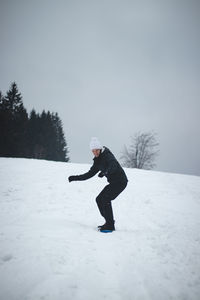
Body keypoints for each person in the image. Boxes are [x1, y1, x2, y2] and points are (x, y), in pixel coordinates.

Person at [68, 137, 128, 232]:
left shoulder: (107, 155)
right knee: (99, 199)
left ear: (100, 149)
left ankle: (110, 224)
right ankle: (109, 221)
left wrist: (105, 172)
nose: (95, 153)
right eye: (93, 151)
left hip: (121, 181)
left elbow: (113, 165)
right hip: (113, 183)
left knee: (105, 199)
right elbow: (89, 174)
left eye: (96, 150)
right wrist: (75, 178)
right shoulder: (97, 161)